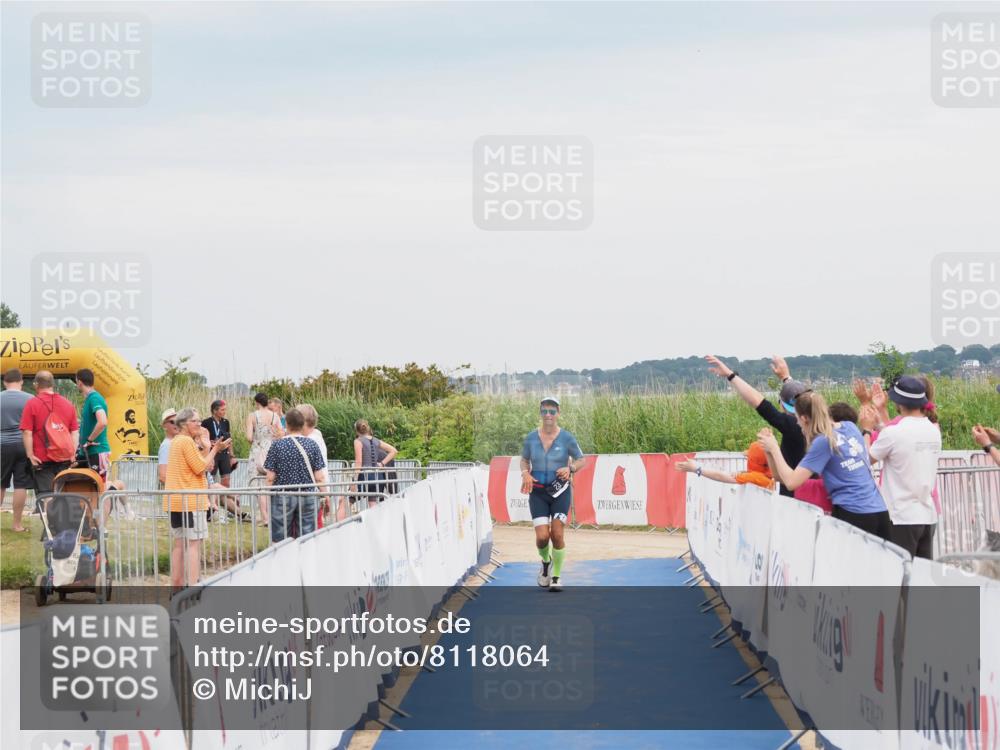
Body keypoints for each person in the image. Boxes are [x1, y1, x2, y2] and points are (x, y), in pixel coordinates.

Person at [705, 354, 831, 512]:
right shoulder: (824, 425)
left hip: (796, 499)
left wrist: (731, 375)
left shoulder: (792, 426)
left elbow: (759, 403)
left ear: (783, 405)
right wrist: (786, 378)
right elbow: (801, 399)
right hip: (819, 498)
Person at [758, 391, 891, 540]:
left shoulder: (824, 441)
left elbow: (791, 482)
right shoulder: (850, 427)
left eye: (797, 419)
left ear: (804, 418)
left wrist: (774, 448)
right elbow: (780, 477)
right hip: (880, 511)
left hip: (854, 514)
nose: (797, 423)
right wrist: (769, 451)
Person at [859, 375, 941, 559]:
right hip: (927, 514)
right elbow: (897, 437)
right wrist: (880, 421)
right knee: (920, 578)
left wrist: (866, 430)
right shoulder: (933, 430)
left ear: (898, 402)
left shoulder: (893, 433)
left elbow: (865, 460)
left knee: (897, 578)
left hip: (900, 517)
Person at [520, 396, 585, 592]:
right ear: (540, 413)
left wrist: (571, 468)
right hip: (538, 493)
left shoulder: (567, 437)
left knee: (557, 534)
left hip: (560, 493)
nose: (548, 415)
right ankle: (546, 562)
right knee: (542, 537)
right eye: (544, 411)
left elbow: (582, 459)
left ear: (558, 413)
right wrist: (525, 473)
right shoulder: (531, 438)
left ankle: (556, 576)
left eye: (552, 411)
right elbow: (524, 460)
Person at [164, 408, 229, 588]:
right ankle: (193, 586)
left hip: (176, 500)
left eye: (200, 421)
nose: (200, 424)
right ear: (184, 424)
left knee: (179, 544)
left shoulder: (177, 441)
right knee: (194, 544)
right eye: (195, 421)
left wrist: (208, 448)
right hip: (191, 501)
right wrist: (215, 448)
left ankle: (176, 586)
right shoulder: (186, 442)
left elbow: (198, 465)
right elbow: (201, 467)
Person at [264, 407, 328, 542]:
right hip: (308, 495)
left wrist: (267, 497)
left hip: (282, 494)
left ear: (287, 424)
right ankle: (304, 560)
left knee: (280, 538)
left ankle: (283, 560)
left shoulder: (277, 445)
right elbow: (320, 477)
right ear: (302, 424)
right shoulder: (312, 445)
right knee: (307, 537)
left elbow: (270, 477)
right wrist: (325, 495)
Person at [20, 370, 79, 495]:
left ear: (36, 384)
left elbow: (27, 432)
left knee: (46, 494)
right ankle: (62, 515)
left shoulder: (32, 403)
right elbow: (74, 432)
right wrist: (72, 453)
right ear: (53, 384)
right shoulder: (68, 404)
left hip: (41, 458)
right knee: (63, 493)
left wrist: (30, 455)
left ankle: (48, 514)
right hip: (64, 458)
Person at [1, 369, 33, 532]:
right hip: (23, 444)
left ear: (4, 382)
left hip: (2, 445)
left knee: (1, 484)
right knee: (21, 484)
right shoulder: (30, 399)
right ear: (21, 382)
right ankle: (17, 525)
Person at [246, 392, 283, 526]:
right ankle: (272, 516)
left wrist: (256, 441)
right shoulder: (275, 416)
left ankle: (265, 517)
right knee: (270, 484)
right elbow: (281, 433)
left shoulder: (252, 416)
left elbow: (249, 437)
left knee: (257, 486)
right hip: (272, 451)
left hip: (257, 451)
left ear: (256, 402)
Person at [676, 441, 774, 490]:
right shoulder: (771, 476)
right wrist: (745, 473)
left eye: (749, 458)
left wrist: (696, 468)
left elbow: (720, 476)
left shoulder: (756, 477)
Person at [297, 403, 335, 523]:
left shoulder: (311, 440)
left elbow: (319, 473)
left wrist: (326, 495)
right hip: (314, 491)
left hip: (312, 491)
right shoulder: (316, 435)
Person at [353, 419, 398, 508]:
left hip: (365, 476)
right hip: (378, 476)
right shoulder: (376, 441)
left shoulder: (358, 441)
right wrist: (382, 464)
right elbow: (394, 451)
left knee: (345, 501)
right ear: (368, 428)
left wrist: (354, 482)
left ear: (357, 431)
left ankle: (340, 522)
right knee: (373, 504)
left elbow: (358, 463)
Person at [157, 408, 179, 485]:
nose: (176, 424)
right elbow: (163, 476)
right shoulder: (166, 445)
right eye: (172, 422)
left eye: (178, 421)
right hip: (177, 494)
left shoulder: (177, 442)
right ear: (164, 426)